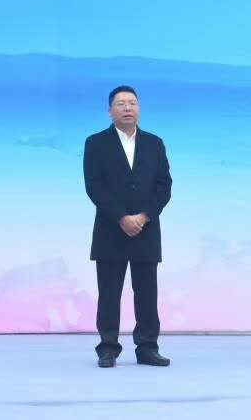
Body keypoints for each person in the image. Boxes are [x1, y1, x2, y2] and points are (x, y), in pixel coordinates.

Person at [83, 85, 172, 368]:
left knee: (147, 293)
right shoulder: (95, 143)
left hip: (146, 229)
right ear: (110, 111)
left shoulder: (154, 143)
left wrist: (144, 216)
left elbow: (164, 186)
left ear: (139, 108)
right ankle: (108, 348)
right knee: (109, 293)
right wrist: (121, 217)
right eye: (120, 103)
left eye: (132, 102)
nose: (127, 108)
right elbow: (94, 186)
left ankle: (147, 348)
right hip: (111, 229)